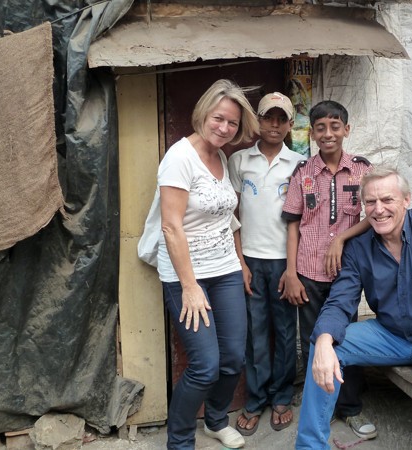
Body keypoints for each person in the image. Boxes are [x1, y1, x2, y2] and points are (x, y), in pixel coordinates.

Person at [295, 166, 412, 450]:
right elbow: (340, 301)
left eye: (387, 200)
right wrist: (324, 340)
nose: (379, 209)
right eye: (371, 202)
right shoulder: (359, 246)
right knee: (323, 346)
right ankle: (309, 447)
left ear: (406, 200)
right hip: (389, 335)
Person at [157, 79, 259, 450]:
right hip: (187, 275)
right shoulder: (179, 158)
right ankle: (180, 441)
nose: (224, 128)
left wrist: (240, 262)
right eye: (219, 118)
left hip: (225, 269)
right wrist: (189, 286)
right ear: (203, 113)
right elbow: (171, 226)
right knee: (204, 365)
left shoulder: (222, 157)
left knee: (232, 358)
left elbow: (226, 217)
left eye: (232, 123)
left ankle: (216, 421)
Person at [280, 100, 376, 440]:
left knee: (346, 339)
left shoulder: (362, 170)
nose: (328, 133)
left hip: (347, 274)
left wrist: (342, 239)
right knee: (312, 341)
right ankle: (321, 409)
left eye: (335, 126)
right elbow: (293, 224)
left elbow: (373, 216)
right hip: (308, 271)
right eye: (320, 127)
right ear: (312, 133)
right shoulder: (302, 173)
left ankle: (350, 408)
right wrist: (291, 273)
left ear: (346, 130)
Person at [228, 92, 306, 436]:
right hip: (250, 259)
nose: (274, 125)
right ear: (257, 120)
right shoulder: (239, 160)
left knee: (286, 331)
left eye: (281, 119)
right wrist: (240, 261)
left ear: (290, 124)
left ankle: (282, 396)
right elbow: (231, 213)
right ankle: (256, 398)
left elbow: (301, 221)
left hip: (285, 262)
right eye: (268, 117)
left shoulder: (299, 164)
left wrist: (293, 269)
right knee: (255, 331)